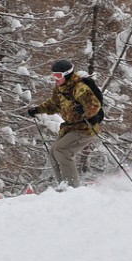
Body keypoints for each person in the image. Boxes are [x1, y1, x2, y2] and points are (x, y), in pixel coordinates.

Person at [27, 59, 102, 188]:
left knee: (62, 150)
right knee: (53, 151)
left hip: (85, 129)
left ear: (66, 75)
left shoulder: (80, 88)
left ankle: (71, 186)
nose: (55, 79)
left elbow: (95, 105)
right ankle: (62, 184)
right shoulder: (61, 88)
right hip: (71, 128)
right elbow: (54, 105)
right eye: (53, 75)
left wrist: (85, 110)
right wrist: (38, 109)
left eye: (58, 76)